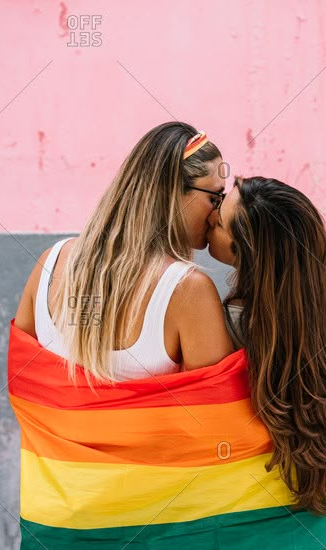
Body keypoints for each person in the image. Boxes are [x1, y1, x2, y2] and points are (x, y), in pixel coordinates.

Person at [207, 175, 326, 515]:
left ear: (244, 253)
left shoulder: (227, 322)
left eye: (219, 223)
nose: (210, 217)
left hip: (249, 505)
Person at [14, 122, 234, 385]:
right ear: (172, 193)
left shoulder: (50, 262)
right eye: (215, 196)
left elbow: (24, 384)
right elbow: (217, 412)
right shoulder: (188, 290)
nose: (218, 211)